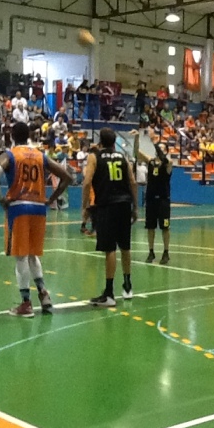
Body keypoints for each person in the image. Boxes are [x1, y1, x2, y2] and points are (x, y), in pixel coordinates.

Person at [0, 122, 72, 317]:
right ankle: (44, 294)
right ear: (29, 135)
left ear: (12, 136)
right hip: (39, 208)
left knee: (21, 257)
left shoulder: (10, 155)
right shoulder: (40, 155)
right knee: (33, 255)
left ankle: (26, 303)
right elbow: (67, 177)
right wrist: (51, 198)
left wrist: (1, 199)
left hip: (19, 208)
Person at [82, 127, 138, 306]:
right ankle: (127, 286)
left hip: (107, 205)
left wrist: (85, 207)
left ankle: (109, 294)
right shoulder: (123, 157)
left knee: (110, 249)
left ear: (100, 142)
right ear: (114, 142)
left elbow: (87, 182)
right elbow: (133, 182)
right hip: (124, 204)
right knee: (125, 246)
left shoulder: (94, 157)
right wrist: (135, 207)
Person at [131, 131, 172, 265]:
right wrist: (137, 137)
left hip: (163, 199)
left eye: (162, 148)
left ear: (166, 151)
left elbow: (164, 159)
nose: (159, 150)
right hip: (151, 199)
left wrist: (155, 143)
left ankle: (166, 252)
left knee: (165, 227)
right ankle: (151, 251)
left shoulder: (168, 163)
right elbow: (136, 152)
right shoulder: (151, 161)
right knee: (150, 227)